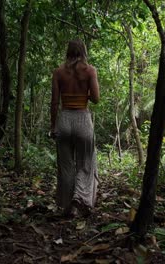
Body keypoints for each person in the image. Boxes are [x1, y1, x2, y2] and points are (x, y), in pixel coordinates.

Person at [50, 39, 100, 217]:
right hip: (82, 120)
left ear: (67, 52)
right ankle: (79, 201)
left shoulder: (58, 72)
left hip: (64, 120)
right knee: (85, 164)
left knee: (66, 167)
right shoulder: (90, 71)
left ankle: (65, 205)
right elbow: (95, 99)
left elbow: (55, 102)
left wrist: (53, 125)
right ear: (84, 52)